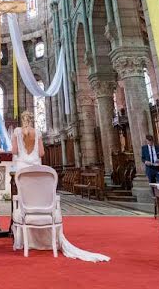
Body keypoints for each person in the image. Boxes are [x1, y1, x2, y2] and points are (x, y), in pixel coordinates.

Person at [11, 110, 109, 262]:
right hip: (38, 167)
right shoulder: (37, 133)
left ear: (22, 120)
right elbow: (42, 153)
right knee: (40, 200)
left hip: (22, 169)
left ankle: (26, 238)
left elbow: (15, 151)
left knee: (25, 200)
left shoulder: (17, 132)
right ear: (32, 120)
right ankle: (44, 237)